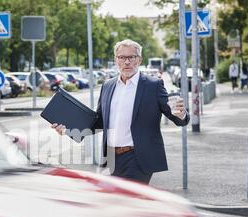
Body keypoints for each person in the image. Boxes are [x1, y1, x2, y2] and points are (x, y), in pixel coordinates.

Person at [51, 39, 189, 184]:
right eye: (122, 57)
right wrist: (68, 129)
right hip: (110, 158)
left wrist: (181, 114)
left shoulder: (152, 85)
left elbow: (176, 116)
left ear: (139, 60)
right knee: (112, 203)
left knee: (130, 201)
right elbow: (99, 122)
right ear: (116, 60)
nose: (126, 62)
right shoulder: (108, 86)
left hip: (137, 158)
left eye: (131, 57)